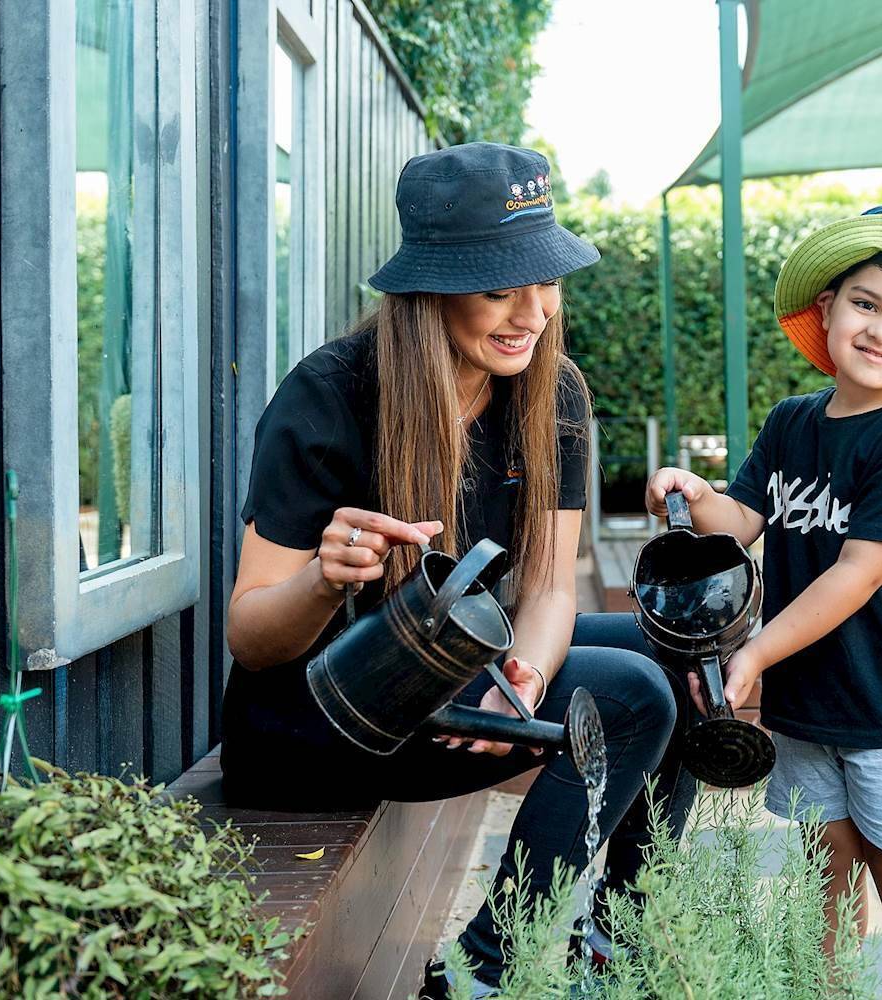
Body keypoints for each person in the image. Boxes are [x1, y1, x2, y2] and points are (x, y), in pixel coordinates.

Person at [220, 142, 696, 999]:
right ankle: (481, 976)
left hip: (443, 672)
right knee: (632, 694)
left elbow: (550, 589)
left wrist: (526, 673)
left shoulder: (554, 395)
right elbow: (252, 639)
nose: (532, 312)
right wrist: (323, 577)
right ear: (430, 286)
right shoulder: (329, 396)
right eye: (498, 288)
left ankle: (616, 951)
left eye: (544, 280)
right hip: (318, 719)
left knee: (677, 656)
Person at [645, 205, 882, 1000]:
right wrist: (695, 492)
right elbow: (742, 521)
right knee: (827, 866)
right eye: (866, 304)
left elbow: (856, 574)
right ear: (828, 310)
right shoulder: (793, 423)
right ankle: (824, 989)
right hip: (812, 696)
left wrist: (754, 654)